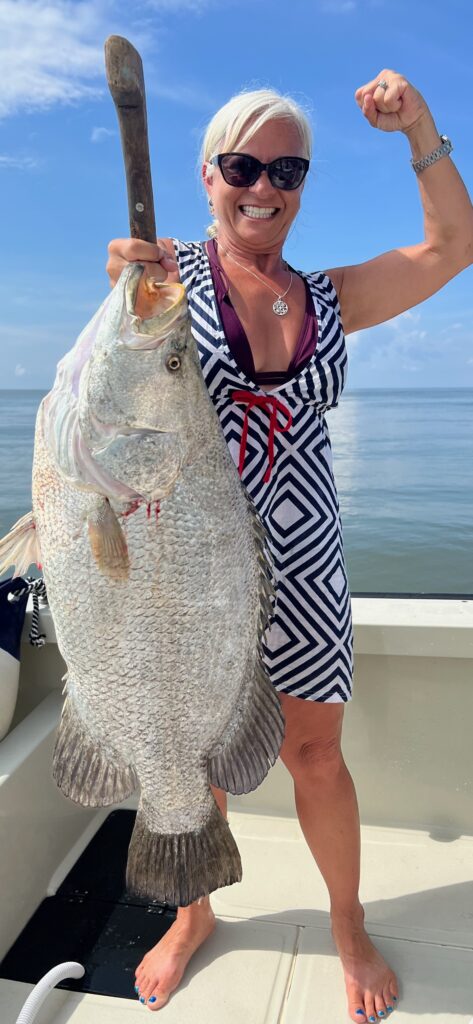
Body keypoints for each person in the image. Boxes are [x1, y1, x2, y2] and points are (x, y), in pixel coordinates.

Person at [106, 69, 473, 1020]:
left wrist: (420, 127)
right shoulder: (164, 282)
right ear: (207, 174)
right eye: (242, 165)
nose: (262, 186)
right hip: (191, 561)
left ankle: (346, 922)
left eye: (286, 169)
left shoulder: (331, 297)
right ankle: (194, 915)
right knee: (192, 750)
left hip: (306, 562)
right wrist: (127, 284)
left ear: (302, 184)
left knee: (316, 756)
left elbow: (451, 245)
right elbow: (112, 397)